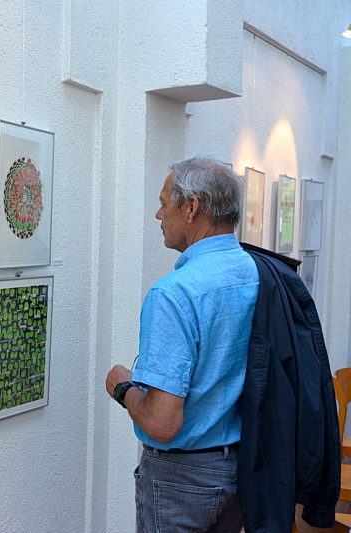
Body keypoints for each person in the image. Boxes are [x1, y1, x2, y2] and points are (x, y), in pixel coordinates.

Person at [105, 157, 259, 532]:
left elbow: (162, 424)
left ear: (191, 208)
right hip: (242, 468)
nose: (158, 215)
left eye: (164, 203)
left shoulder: (174, 294)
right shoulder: (258, 273)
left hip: (181, 478)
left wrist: (122, 387)